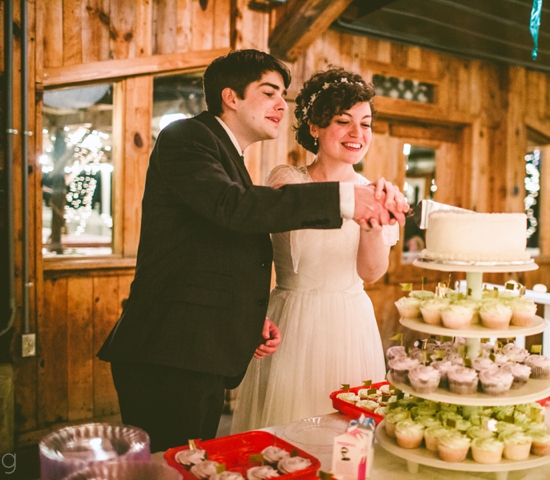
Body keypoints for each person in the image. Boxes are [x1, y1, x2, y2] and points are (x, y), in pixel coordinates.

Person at [97, 51, 408, 452]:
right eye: (270, 93)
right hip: (172, 348)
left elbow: (225, 248)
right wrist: (348, 201)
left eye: (284, 95)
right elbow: (235, 208)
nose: (282, 104)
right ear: (231, 96)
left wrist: (246, 317)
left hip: (205, 346)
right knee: (175, 463)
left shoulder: (231, 158)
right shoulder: (186, 137)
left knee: (194, 459)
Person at [231, 67, 397, 433]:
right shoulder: (287, 181)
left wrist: (371, 221)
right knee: (291, 430)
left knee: (350, 431)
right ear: (314, 127)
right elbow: (257, 248)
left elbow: (371, 273)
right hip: (295, 319)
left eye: (366, 124)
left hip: (352, 321)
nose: (358, 134)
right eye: (343, 121)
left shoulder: (374, 191)